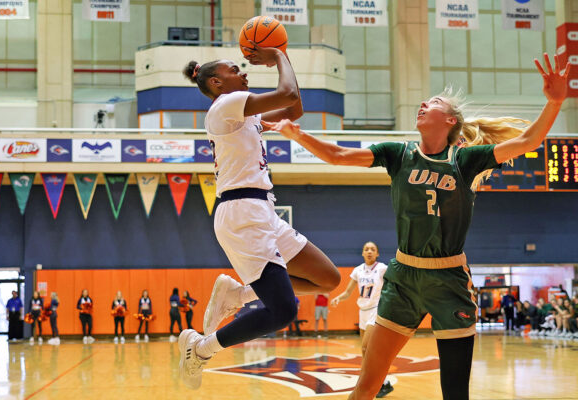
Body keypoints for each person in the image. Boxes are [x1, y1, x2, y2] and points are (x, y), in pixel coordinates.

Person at [270, 53, 568, 400]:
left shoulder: (466, 160)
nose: (424, 103)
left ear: (451, 120)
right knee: (366, 386)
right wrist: (297, 135)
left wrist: (554, 102)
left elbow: (527, 142)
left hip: (449, 280)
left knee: (455, 392)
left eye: (435, 102)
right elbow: (338, 156)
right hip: (403, 279)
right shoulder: (398, 154)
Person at [177, 39, 340, 390]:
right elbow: (286, 93)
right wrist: (279, 54)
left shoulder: (242, 113)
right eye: (233, 69)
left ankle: (238, 295)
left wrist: (281, 60)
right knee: (283, 312)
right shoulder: (226, 104)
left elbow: (292, 108)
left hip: (262, 209)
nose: (243, 71)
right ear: (216, 83)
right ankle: (201, 349)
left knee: (327, 279)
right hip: (242, 213)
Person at [331, 242, 393, 398]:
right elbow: (347, 292)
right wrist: (339, 297)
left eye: (373, 249)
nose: (370, 251)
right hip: (363, 311)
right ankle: (381, 382)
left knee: (367, 348)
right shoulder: (358, 270)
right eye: (367, 249)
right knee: (365, 351)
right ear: (363, 253)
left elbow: (393, 284)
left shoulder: (382, 268)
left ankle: (381, 382)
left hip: (376, 310)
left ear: (377, 253)